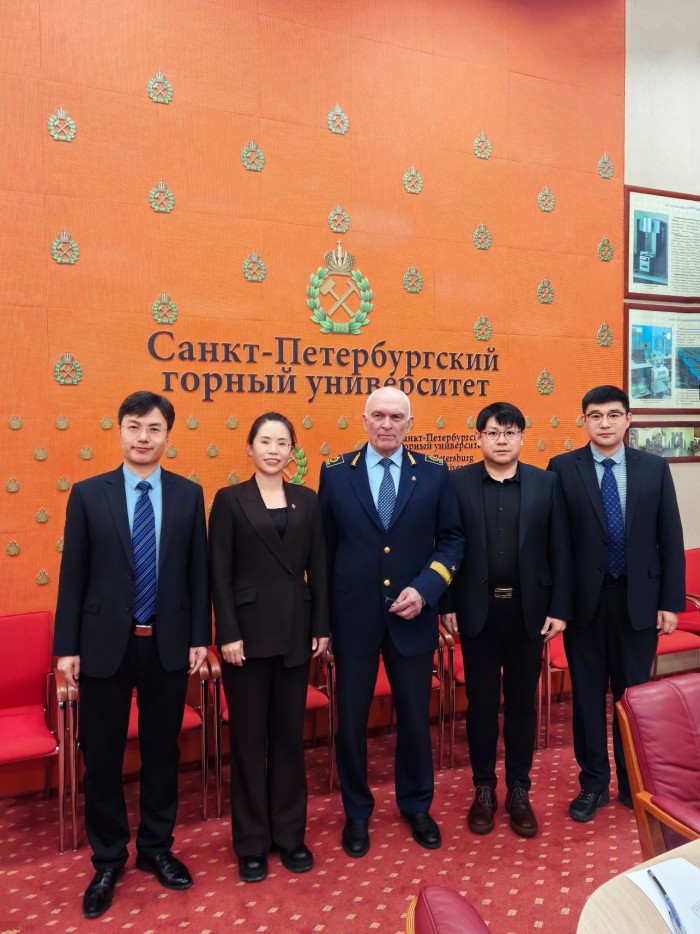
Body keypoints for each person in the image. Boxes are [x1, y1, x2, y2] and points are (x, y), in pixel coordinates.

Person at [54, 391, 210, 919]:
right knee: (101, 757)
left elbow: (197, 573)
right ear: (119, 430)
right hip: (102, 647)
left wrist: (199, 636)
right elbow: (72, 574)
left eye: (154, 428)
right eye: (134, 427)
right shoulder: (87, 494)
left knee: (163, 751)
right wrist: (66, 646)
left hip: (167, 643)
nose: (144, 437)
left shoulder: (189, 494)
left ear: (168, 435)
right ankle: (107, 859)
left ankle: (156, 848)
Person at [318, 387, 464, 857]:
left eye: (396, 417)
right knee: (351, 723)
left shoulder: (435, 473)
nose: (386, 424)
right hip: (352, 618)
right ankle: (356, 813)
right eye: (378, 415)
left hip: (413, 617)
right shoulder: (335, 472)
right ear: (363, 420)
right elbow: (322, 551)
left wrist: (425, 590)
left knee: (415, 720)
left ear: (409, 423)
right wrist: (322, 622)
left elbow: (452, 541)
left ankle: (416, 805)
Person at [548, 385, 685, 821]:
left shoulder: (653, 467)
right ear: (583, 421)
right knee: (587, 700)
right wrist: (558, 606)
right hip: (585, 606)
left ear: (628, 419)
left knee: (635, 700)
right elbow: (557, 545)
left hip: (638, 602)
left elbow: (670, 536)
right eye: (595, 415)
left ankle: (634, 783)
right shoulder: (562, 468)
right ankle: (593, 784)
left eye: (612, 415)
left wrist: (670, 602)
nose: (604, 423)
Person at [441, 402, 572, 837]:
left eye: (510, 433)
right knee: (480, 705)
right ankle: (483, 788)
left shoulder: (546, 483)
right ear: (478, 437)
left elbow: (561, 549)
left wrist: (559, 607)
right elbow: (444, 545)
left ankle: (518, 789)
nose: (501, 440)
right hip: (475, 612)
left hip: (527, 613)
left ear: (521, 437)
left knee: (520, 704)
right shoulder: (456, 483)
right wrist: (446, 604)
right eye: (493, 433)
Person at [209, 413, 329, 883]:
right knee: (247, 741)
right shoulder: (230, 499)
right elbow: (218, 571)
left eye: (283, 442)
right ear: (250, 447)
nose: (274, 450)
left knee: (287, 740)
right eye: (265, 441)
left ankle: (290, 835)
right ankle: (251, 842)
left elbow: (318, 567)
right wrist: (227, 632)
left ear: (292, 450)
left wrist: (321, 625)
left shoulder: (307, 499)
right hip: (246, 638)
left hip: (296, 632)